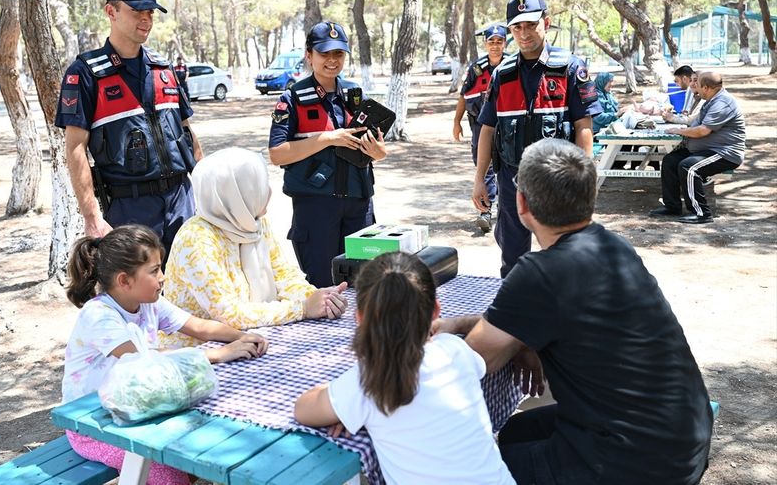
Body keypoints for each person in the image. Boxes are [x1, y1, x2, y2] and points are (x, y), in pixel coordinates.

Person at [436, 138, 713, 485]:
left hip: (633, 462)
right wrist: (515, 337)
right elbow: (550, 320)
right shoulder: (615, 246)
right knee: (516, 431)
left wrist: (458, 330)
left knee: (460, 473)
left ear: (522, 203)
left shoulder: (540, 272)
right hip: (683, 435)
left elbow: (475, 359)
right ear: (590, 197)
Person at [62, 225, 268, 485]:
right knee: (167, 473)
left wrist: (240, 337)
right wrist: (221, 353)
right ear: (124, 281)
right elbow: (144, 361)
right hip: (94, 427)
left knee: (209, 443)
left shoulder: (149, 303)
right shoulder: (99, 315)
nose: (163, 277)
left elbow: (198, 326)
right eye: (154, 271)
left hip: (136, 408)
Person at [294, 252, 515, 485]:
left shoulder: (368, 380)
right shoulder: (455, 349)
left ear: (359, 318)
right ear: (436, 311)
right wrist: (350, 404)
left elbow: (303, 408)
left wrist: (344, 405)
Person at [54, 0, 202, 261]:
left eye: (151, 12)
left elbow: (186, 131)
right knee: (137, 288)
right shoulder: (86, 73)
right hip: (129, 209)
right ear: (111, 11)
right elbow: (75, 148)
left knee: (190, 283)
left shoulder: (163, 68)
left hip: (182, 201)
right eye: (136, 11)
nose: (146, 19)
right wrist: (92, 217)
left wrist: (209, 192)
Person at [161, 147, 349, 348]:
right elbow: (230, 314)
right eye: (258, 185)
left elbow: (284, 276)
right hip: (199, 353)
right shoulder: (196, 239)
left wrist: (320, 299)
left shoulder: (253, 221)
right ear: (235, 194)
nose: (269, 192)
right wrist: (302, 308)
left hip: (252, 340)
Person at [473, 0, 602, 278]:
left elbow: (583, 126)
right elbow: (488, 128)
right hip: (512, 179)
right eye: (517, 27)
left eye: (531, 24)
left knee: (564, 252)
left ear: (547, 22)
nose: (524, 33)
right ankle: (517, 302)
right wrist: (480, 178)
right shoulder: (502, 73)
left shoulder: (570, 67)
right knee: (512, 257)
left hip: (558, 178)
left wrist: (585, 178)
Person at [268, 21, 387, 287]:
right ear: (309, 55)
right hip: (316, 207)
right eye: (324, 53)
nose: (332, 60)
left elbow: (376, 148)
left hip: (359, 204)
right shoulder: (292, 99)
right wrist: (328, 139)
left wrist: (379, 153)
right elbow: (277, 154)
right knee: (324, 284)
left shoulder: (354, 94)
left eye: (338, 53)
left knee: (365, 285)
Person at [649, 71, 745, 224]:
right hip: (707, 150)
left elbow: (702, 131)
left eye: (697, 84)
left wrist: (678, 131)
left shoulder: (722, 103)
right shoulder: (711, 100)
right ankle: (672, 207)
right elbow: (694, 124)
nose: (694, 87)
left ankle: (702, 213)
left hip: (725, 152)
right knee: (670, 161)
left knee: (689, 167)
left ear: (706, 88)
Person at [453, 24, 508, 233]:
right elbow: (464, 95)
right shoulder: (477, 69)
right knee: (484, 166)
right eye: (491, 42)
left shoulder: (513, 64)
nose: (495, 46)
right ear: (485, 44)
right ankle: (486, 211)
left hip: (507, 125)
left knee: (509, 165)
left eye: (499, 41)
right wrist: (456, 121)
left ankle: (508, 209)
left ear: (505, 43)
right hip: (480, 125)